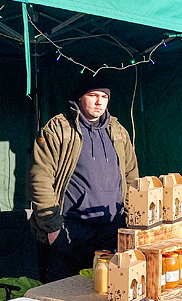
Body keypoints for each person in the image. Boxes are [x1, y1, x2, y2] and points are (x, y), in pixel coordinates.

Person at [27, 80, 138, 282]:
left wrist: (129, 219)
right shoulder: (59, 129)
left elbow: (131, 177)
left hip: (111, 229)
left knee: (104, 294)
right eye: (93, 95)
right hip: (71, 231)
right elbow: (39, 178)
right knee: (63, 298)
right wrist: (53, 228)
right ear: (80, 97)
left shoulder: (119, 132)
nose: (99, 102)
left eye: (104, 97)